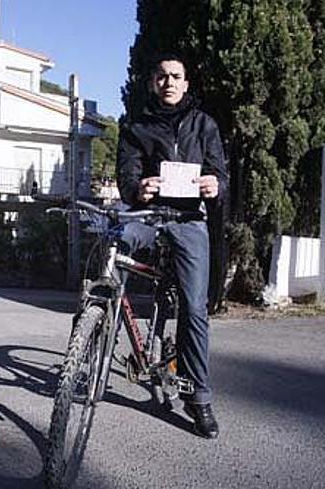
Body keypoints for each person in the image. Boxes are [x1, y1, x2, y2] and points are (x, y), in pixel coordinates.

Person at [116, 53, 228, 439]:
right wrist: (137, 188)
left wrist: (215, 186)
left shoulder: (204, 125)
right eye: (162, 76)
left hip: (189, 220)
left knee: (194, 309)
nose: (169, 82)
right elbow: (126, 176)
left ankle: (198, 396)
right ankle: (92, 339)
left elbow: (221, 175)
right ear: (153, 83)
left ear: (186, 83)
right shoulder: (136, 126)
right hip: (147, 216)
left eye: (176, 76)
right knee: (112, 253)